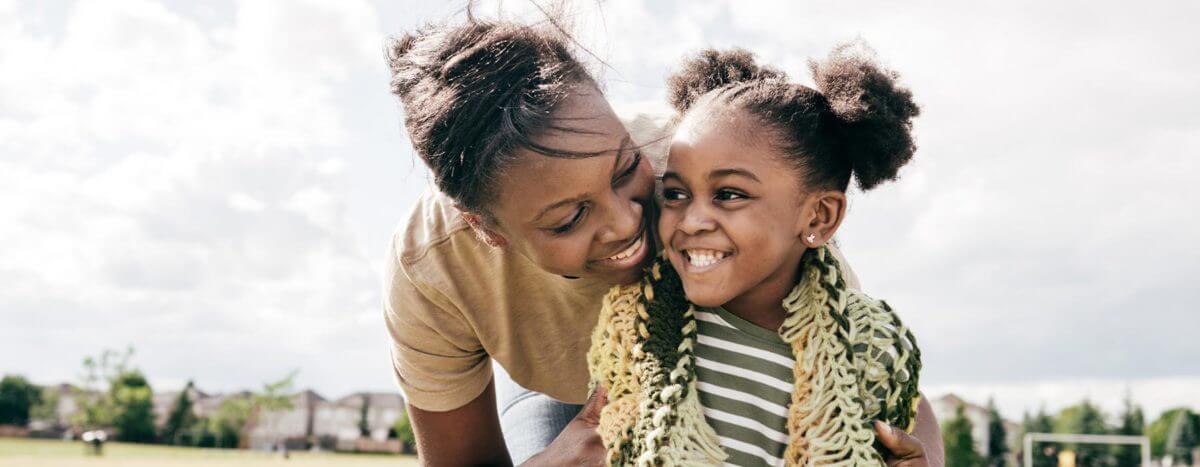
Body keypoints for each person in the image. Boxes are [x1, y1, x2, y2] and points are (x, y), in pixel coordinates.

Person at [383, 16, 918, 466]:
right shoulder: (433, 264)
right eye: (569, 218)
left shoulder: (704, 166)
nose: (623, 224)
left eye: (624, 171)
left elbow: (869, 375)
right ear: (488, 229)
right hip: (559, 392)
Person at [587, 44, 944, 466]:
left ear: (819, 216)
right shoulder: (638, 330)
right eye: (677, 193)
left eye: (730, 194)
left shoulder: (867, 349)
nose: (692, 220)